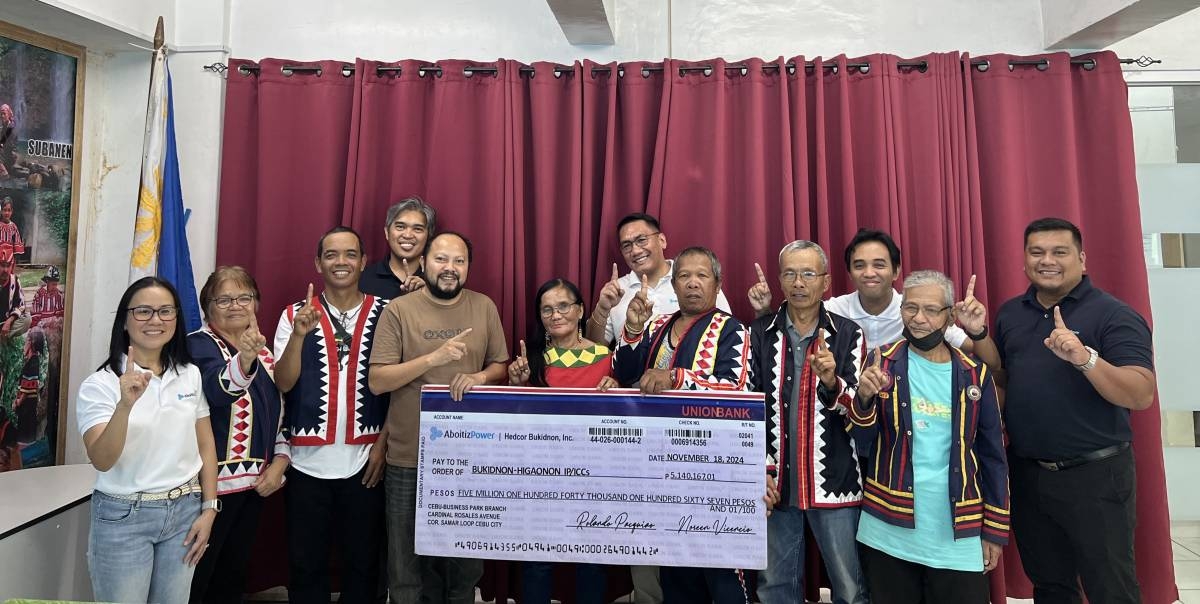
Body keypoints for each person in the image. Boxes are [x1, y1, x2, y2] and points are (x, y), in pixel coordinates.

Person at [989, 217, 1155, 604]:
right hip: (1029, 473)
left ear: (1081, 259)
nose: (1047, 260)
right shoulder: (1012, 314)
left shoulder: (1114, 315)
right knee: (1049, 585)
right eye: (1037, 252)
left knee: (1110, 586)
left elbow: (1141, 394)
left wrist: (1085, 359)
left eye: (1059, 252)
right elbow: (1008, 382)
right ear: (1025, 259)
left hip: (1096, 476)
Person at [848, 270, 1008, 604]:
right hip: (888, 527)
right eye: (910, 308)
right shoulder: (882, 363)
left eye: (931, 310)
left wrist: (994, 529)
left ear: (950, 316)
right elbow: (862, 444)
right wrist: (862, 399)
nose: (918, 319)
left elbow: (993, 456)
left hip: (958, 529)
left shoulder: (974, 373)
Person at [612, 246, 761, 604]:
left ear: (717, 284)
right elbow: (626, 374)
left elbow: (737, 385)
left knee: (723, 569)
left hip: (714, 468)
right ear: (674, 285)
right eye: (684, 276)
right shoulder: (658, 324)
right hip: (661, 465)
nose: (693, 283)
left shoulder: (732, 329)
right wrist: (633, 329)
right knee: (676, 567)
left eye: (702, 276)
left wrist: (676, 378)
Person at [369, 231, 509, 604]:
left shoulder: (484, 307)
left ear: (468, 267)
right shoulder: (398, 310)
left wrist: (478, 376)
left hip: (469, 461)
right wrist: (434, 358)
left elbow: (500, 366)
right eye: (441, 260)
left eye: (459, 261)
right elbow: (379, 380)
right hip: (408, 459)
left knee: (464, 568)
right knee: (405, 569)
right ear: (425, 263)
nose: (450, 269)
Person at [75, 277, 218, 603]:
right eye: (143, 311)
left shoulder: (189, 374)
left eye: (165, 311)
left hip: (185, 512)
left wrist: (209, 508)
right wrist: (125, 405)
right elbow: (102, 459)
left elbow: (206, 445)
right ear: (124, 321)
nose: (156, 320)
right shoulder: (100, 385)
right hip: (124, 516)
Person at [273, 226, 390, 604]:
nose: (341, 262)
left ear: (363, 260)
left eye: (350, 254)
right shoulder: (293, 314)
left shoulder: (386, 313)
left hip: (364, 463)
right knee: (306, 566)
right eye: (332, 254)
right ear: (318, 263)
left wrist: (383, 446)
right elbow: (284, 382)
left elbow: (401, 389)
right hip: (307, 464)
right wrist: (299, 336)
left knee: (363, 565)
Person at [747, 241, 869, 604]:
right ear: (780, 280)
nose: (798, 282)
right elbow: (747, 408)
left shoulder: (849, 334)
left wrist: (832, 382)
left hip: (834, 479)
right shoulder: (759, 332)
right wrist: (759, 469)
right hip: (775, 482)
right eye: (789, 273)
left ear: (826, 282)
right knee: (773, 586)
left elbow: (858, 411)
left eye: (808, 274)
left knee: (849, 587)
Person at [508, 278, 617, 604]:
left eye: (564, 306)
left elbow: (626, 422)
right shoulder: (531, 361)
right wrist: (517, 386)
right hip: (542, 480)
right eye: (547, 309)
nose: (556, 314)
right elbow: (514, 426)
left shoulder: (606, 357)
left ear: (581, 309)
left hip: (595, 479)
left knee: (592, 564)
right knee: (537, 564)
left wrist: (616, 389)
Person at [188, 267, 290, 604]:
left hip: (253, 489)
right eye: (224, 299)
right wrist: (244, 358)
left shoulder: (266, 354)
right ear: (208, 307)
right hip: (207, 491)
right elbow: (218, 392)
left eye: (244, 297)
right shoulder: (196, 347)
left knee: (231, 581)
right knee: (196, 581)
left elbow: (279, 416)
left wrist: (280, 462)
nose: (235, 305)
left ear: (256, 304)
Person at [749, 229, 972, 350]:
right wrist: (763, 310)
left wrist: (977, 330)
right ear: (850, 273)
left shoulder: (915, 312)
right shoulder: (833, 309)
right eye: (859, 265)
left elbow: (984, 357)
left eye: (879, 264)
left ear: (896, 272)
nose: (869, 273)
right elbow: (789, 327)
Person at [588, 213, 731, 346]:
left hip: (691, 369)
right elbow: (592, 349)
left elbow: (726, 330)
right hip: (630, 370)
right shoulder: (615, 291)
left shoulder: (694, 280)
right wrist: (602, 310)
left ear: (662, 240)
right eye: (627, 245)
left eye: (642, 240)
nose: (636, 251)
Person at [359, 196, 433, 300]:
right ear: (386, 232)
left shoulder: (435, 282)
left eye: (417, 229)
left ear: (428, 235)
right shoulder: (362, 279)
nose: (407, 235)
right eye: (400, 227)